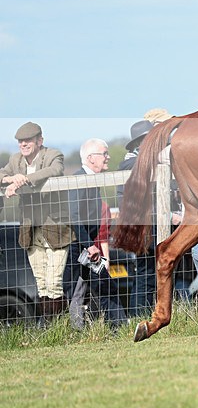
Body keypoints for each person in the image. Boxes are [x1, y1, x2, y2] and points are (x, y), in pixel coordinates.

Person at [0, 122, 74, 320]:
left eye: (28, 141)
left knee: (54, 281)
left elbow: (55, 171)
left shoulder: (53, 155)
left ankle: (60, 324)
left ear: (39, 141)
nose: (24, 145)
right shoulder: (15, 160)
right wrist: (10, 179)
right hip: (31, 229)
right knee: (41, 283)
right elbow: (1, 174)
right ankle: (50, 327)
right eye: (20, 142)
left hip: (55, 228)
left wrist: (24, 179)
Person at [65, 138, 128, 329]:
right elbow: (75, 216)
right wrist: (90, 245)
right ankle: (114, 327)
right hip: (82, 248)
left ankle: (116, 327)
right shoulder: (80, 178)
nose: (108, 157)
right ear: (91, 158)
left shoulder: (92, 179)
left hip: (87, 246)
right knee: (79, 291)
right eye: (105, 153)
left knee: (101, 287)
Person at [117, 119, 156, 316]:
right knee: (145, 273)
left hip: (142, 223)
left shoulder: (131, 162)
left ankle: (141, 314)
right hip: (143, 224)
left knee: (145, 272)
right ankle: (140, 314)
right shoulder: (133, 163)